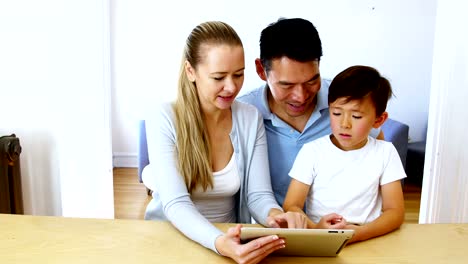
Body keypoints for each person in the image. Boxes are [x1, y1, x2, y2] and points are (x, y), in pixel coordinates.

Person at [143, 21, 307, 264]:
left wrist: (275, 216)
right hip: (171, 240)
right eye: (219, 77)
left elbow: (258, 195)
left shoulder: (249, 117)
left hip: (229, 242)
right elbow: (175, 204)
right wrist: (219, 243)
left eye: (239, 75)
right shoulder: (164, 117)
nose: (231, 87)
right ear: (191, 71)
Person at [237, 18, 383, 206]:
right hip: (273, 226)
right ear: (261, 71)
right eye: (287, 85)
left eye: (311, 81)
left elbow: (378, 164)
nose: (300, 96)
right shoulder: (243, 113)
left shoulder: (345, 102)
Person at [283, 65, 406, 243]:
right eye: (337, 113)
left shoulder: (385, 152)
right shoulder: (312, 151)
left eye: (356, 116)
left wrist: (359, 234)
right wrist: (316, 229)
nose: (344, 124)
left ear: (379, 120)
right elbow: (291, 205)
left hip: (367, 238)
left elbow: (395, 212)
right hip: (320, 238)